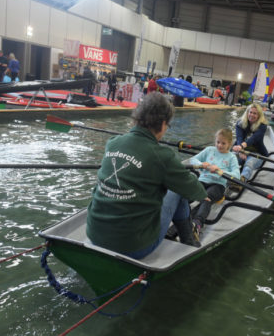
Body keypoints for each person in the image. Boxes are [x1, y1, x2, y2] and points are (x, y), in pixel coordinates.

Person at [86, 92, 209, 259]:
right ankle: (190, 243)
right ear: (163, 124)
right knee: (177, 191)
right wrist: (199, 188)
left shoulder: (113, 143)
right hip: (134, 247)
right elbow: (195, 191)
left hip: (94, 236)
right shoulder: (163, 156)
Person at [187, 129, 240, 236]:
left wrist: (219, 170)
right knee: (188, 194)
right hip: (203, 180)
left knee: (207, 197)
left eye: (223, 143)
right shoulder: (209, 150)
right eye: (218, 142)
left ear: (229, 144)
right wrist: (201, 164)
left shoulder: (231, 157)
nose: (219, 145)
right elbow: (192, 160)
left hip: (218, 185)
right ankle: (181, 214)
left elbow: (236, 176)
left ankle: (197, 223)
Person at [232, 103, 269, 181]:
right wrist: (240, 151)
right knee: (231, 159)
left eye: (255, 113)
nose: (252, 115)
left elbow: (253, 139)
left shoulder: (262, 126)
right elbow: (239, 138)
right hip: (241, 150)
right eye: (250, 112)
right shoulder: (240, 123)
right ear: (247, 113)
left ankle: (241, 181)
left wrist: (241, 148)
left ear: (259, 115)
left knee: (249, 164)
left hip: (257, 153)